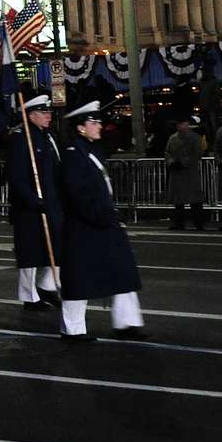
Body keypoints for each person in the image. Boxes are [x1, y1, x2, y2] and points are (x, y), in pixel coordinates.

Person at [57, 101, 147, 342]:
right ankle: (73, 329)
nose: (99, 126)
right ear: (80, 128)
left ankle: (127, 322)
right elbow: (78, 193)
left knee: (122, 271)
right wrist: (100, 215)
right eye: (93, 122)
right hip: (84, 226)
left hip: (104, 221)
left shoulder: (92, 151)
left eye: (98, 122)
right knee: (80, 278)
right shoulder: (74, 155)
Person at [3, 95, 63, 312]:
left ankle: (46, 285)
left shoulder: (48, 136)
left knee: (57, 248)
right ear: (31, 115)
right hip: (30, 207)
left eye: (49, 112)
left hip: (52, 202)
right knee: (31, 253)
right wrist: (33, 200)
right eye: (44, 113)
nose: (49, 116)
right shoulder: (22, 139)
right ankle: (29, 296)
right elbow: (16, 177)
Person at [164, 115, 206, 230]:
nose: (179, 126)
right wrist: (171, 162)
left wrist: (183, 163)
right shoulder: (173, 138)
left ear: (187, 124)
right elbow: (167, 153)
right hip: (177, 172)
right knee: (178, 201)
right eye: (178, 124)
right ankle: (179, 223)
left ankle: (198, 223)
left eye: (181, 124)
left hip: (189, 171)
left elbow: (197, 154)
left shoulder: (195, 138)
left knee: (195, 199)